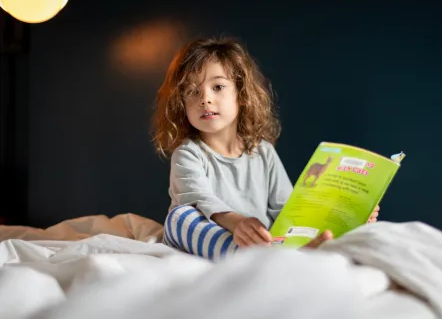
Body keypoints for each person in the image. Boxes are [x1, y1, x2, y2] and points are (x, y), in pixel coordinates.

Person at [152, 36, 380, 260]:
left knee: (297, 225)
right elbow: (200, 200)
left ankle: (286, 254)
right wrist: (238, 223)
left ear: (241, 95)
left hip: (260, 243)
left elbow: (286, 209)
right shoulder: (188, 153)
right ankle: (242, 257)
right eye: (192, 91)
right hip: (213, 240)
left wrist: (353, 216)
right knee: (179, 217)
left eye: (218, 86)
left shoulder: (263, 152)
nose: (205, 99)